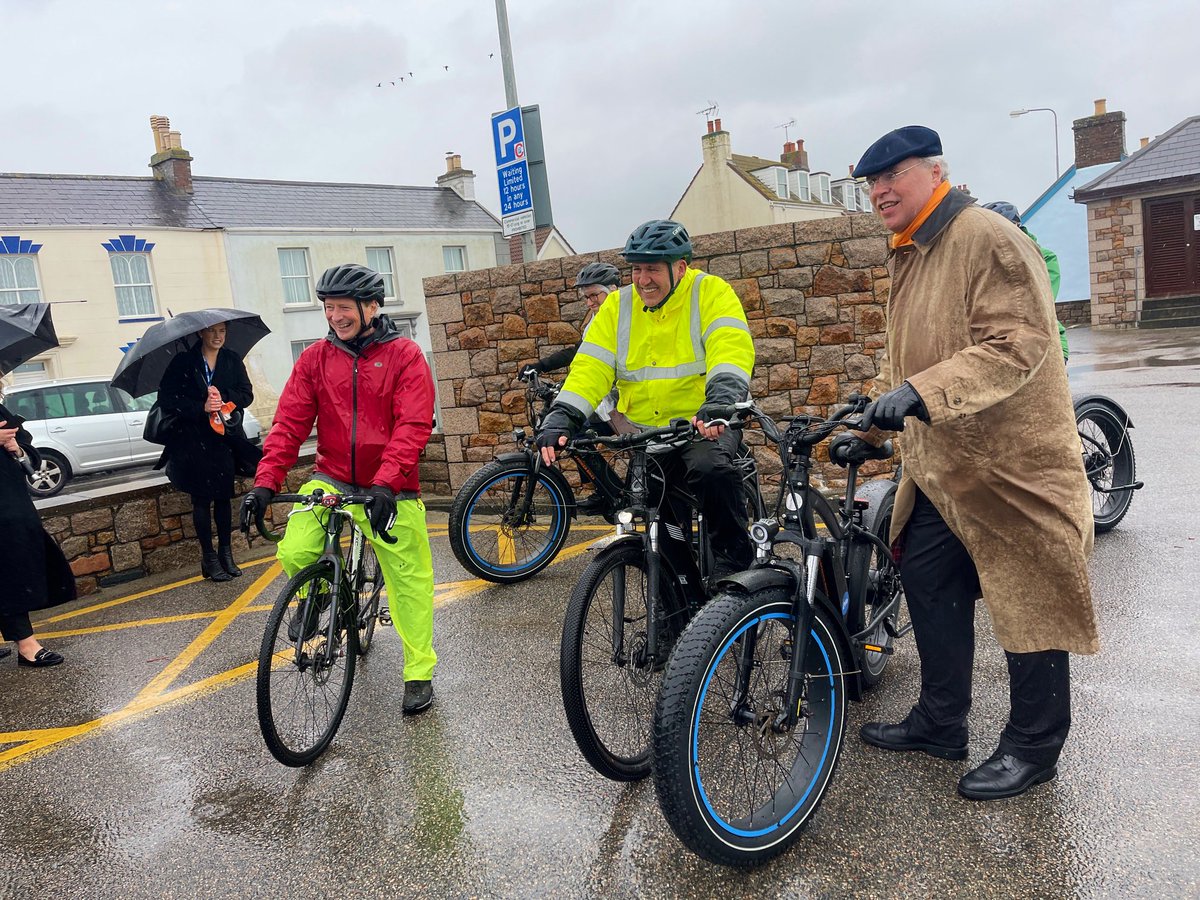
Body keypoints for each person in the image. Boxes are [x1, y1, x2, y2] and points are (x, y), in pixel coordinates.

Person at [830, 125, 1098, 801]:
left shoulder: (986, 237)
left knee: (1029, 599)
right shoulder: (913, 252)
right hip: (945, 472)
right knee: (926, 579)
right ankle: (941, 721)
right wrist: (871, 428)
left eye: (892, 176)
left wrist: (918, 392)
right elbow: (910, 361)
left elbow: (1019, 342)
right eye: (871, 183)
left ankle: (1036, 746)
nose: (879, 191)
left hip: (1012, 468)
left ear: (934, 172)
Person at [241, 263, 438, 715]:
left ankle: (419, 672)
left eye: (344, 308)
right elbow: (289, 423)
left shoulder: (405, 356)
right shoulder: (315, 359)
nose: (335, 317)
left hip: (391, 485)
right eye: (329, 308)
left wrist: (387, 483)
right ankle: (317, 595)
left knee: (409, 585)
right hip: (331, 476)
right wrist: (265, 483)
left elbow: (412, 425)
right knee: (295, 549)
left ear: (371, 307)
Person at [537, 219, 756, 579]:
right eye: (636, 269)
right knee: (657, 523)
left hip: (702, 424)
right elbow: (590, 367)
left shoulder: (710, 293)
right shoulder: (617, 307)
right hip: (649, 432)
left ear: (681, 267)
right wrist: (563, 416)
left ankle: (735, 561)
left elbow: (730, 348)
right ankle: (676, 602)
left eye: (652, 268)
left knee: (710, 470)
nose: (642, 279)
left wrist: (720, 400)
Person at [156, 322, 261, 582]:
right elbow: (167, 399)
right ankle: (209, 557)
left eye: (222, 331)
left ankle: (226, 553)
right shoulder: (184, 362)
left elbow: (246, 394)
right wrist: (200, 406)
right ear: (201, 333)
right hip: (192, 441)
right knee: (201, 500)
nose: (218, 336)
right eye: (212, 331)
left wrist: (224, 399)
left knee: (224, 497)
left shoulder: (231, 359)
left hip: (222, 438)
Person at [521, 261, 624, 514]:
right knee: (575, 432)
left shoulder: (627, 320)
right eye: (586, 297)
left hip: (627, 401)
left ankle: (613, 493)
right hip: (608, 401)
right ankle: (606, 491)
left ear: (613, 290)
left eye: (593, 295)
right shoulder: (596, 322)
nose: (589, 302)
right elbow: (579, 354)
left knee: (577, 432)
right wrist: (539, 365)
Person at [0, 405, 74, 667]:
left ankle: (25, 643)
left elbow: (28, 451)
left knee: (11, 567)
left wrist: (17, 449)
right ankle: (27, 644)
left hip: (10, 503)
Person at [981, 201, 1070, 361]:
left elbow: (1038, 301)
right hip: (1004, 343)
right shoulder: (986, 259)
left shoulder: (1044, 257)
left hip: (1047, 346)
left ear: (1016, 228)